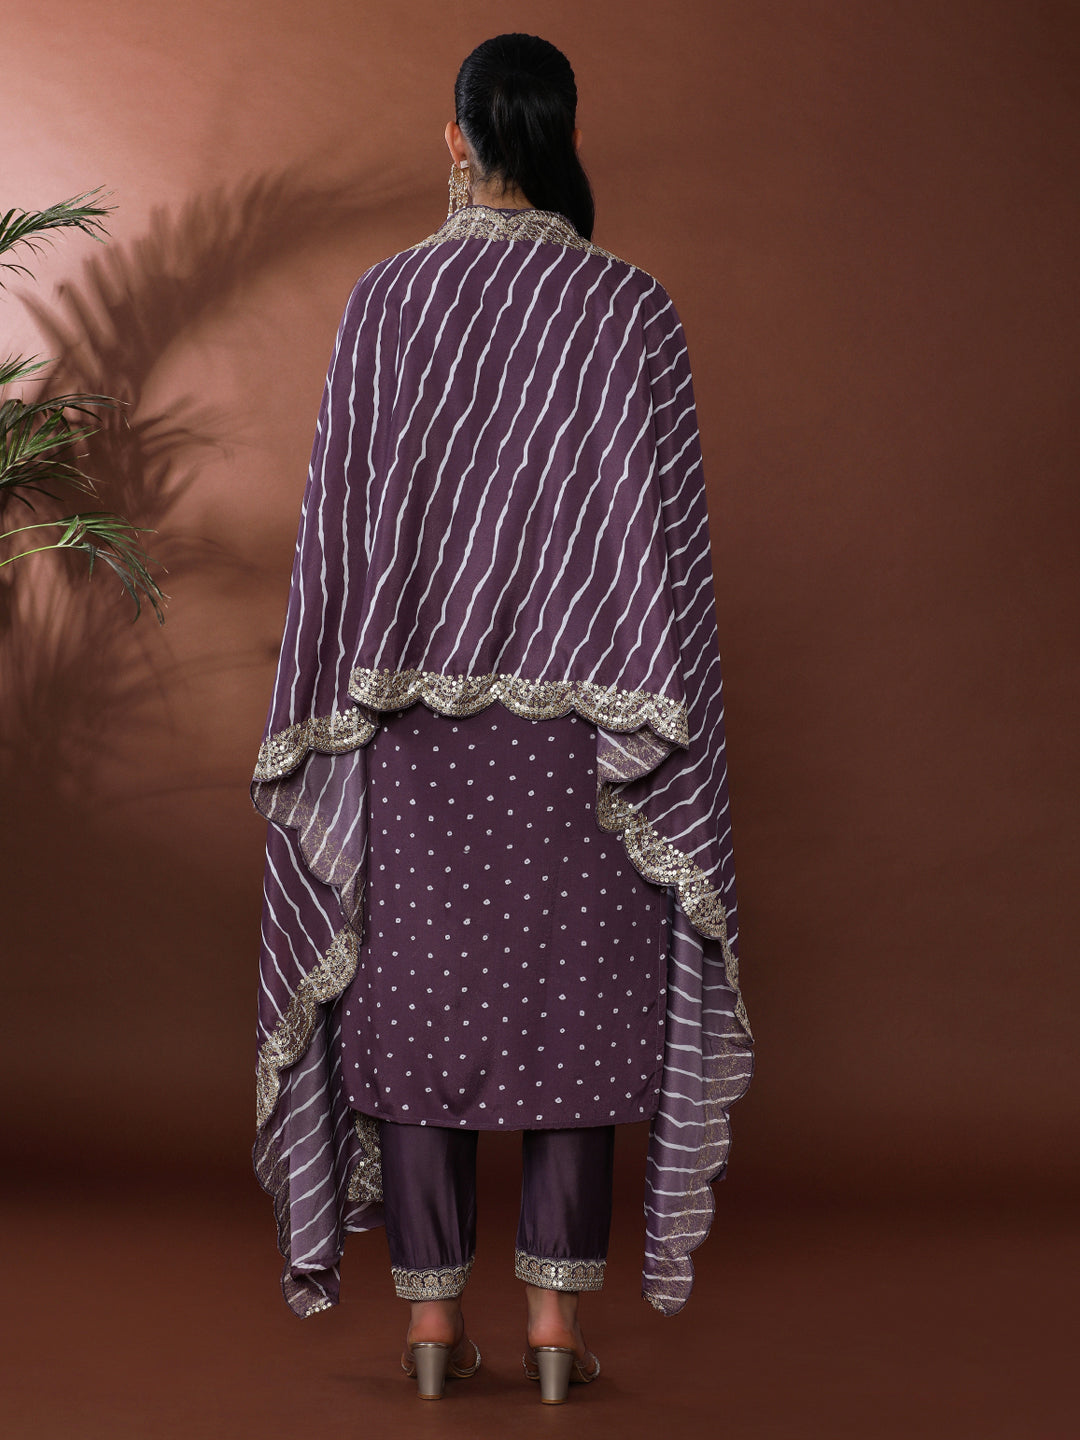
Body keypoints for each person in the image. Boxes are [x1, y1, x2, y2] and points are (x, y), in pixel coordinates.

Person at [251, 32, 754, 1405]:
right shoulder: (632, 308)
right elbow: (670, 568)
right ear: (564, 134)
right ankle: (551, 1331)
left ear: (456, 137)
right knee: (571, 1011)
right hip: (588, 749)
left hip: (414, 737)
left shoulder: (384, 303)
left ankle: (429, 1329)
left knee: (419, 1010)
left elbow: (338, 542)